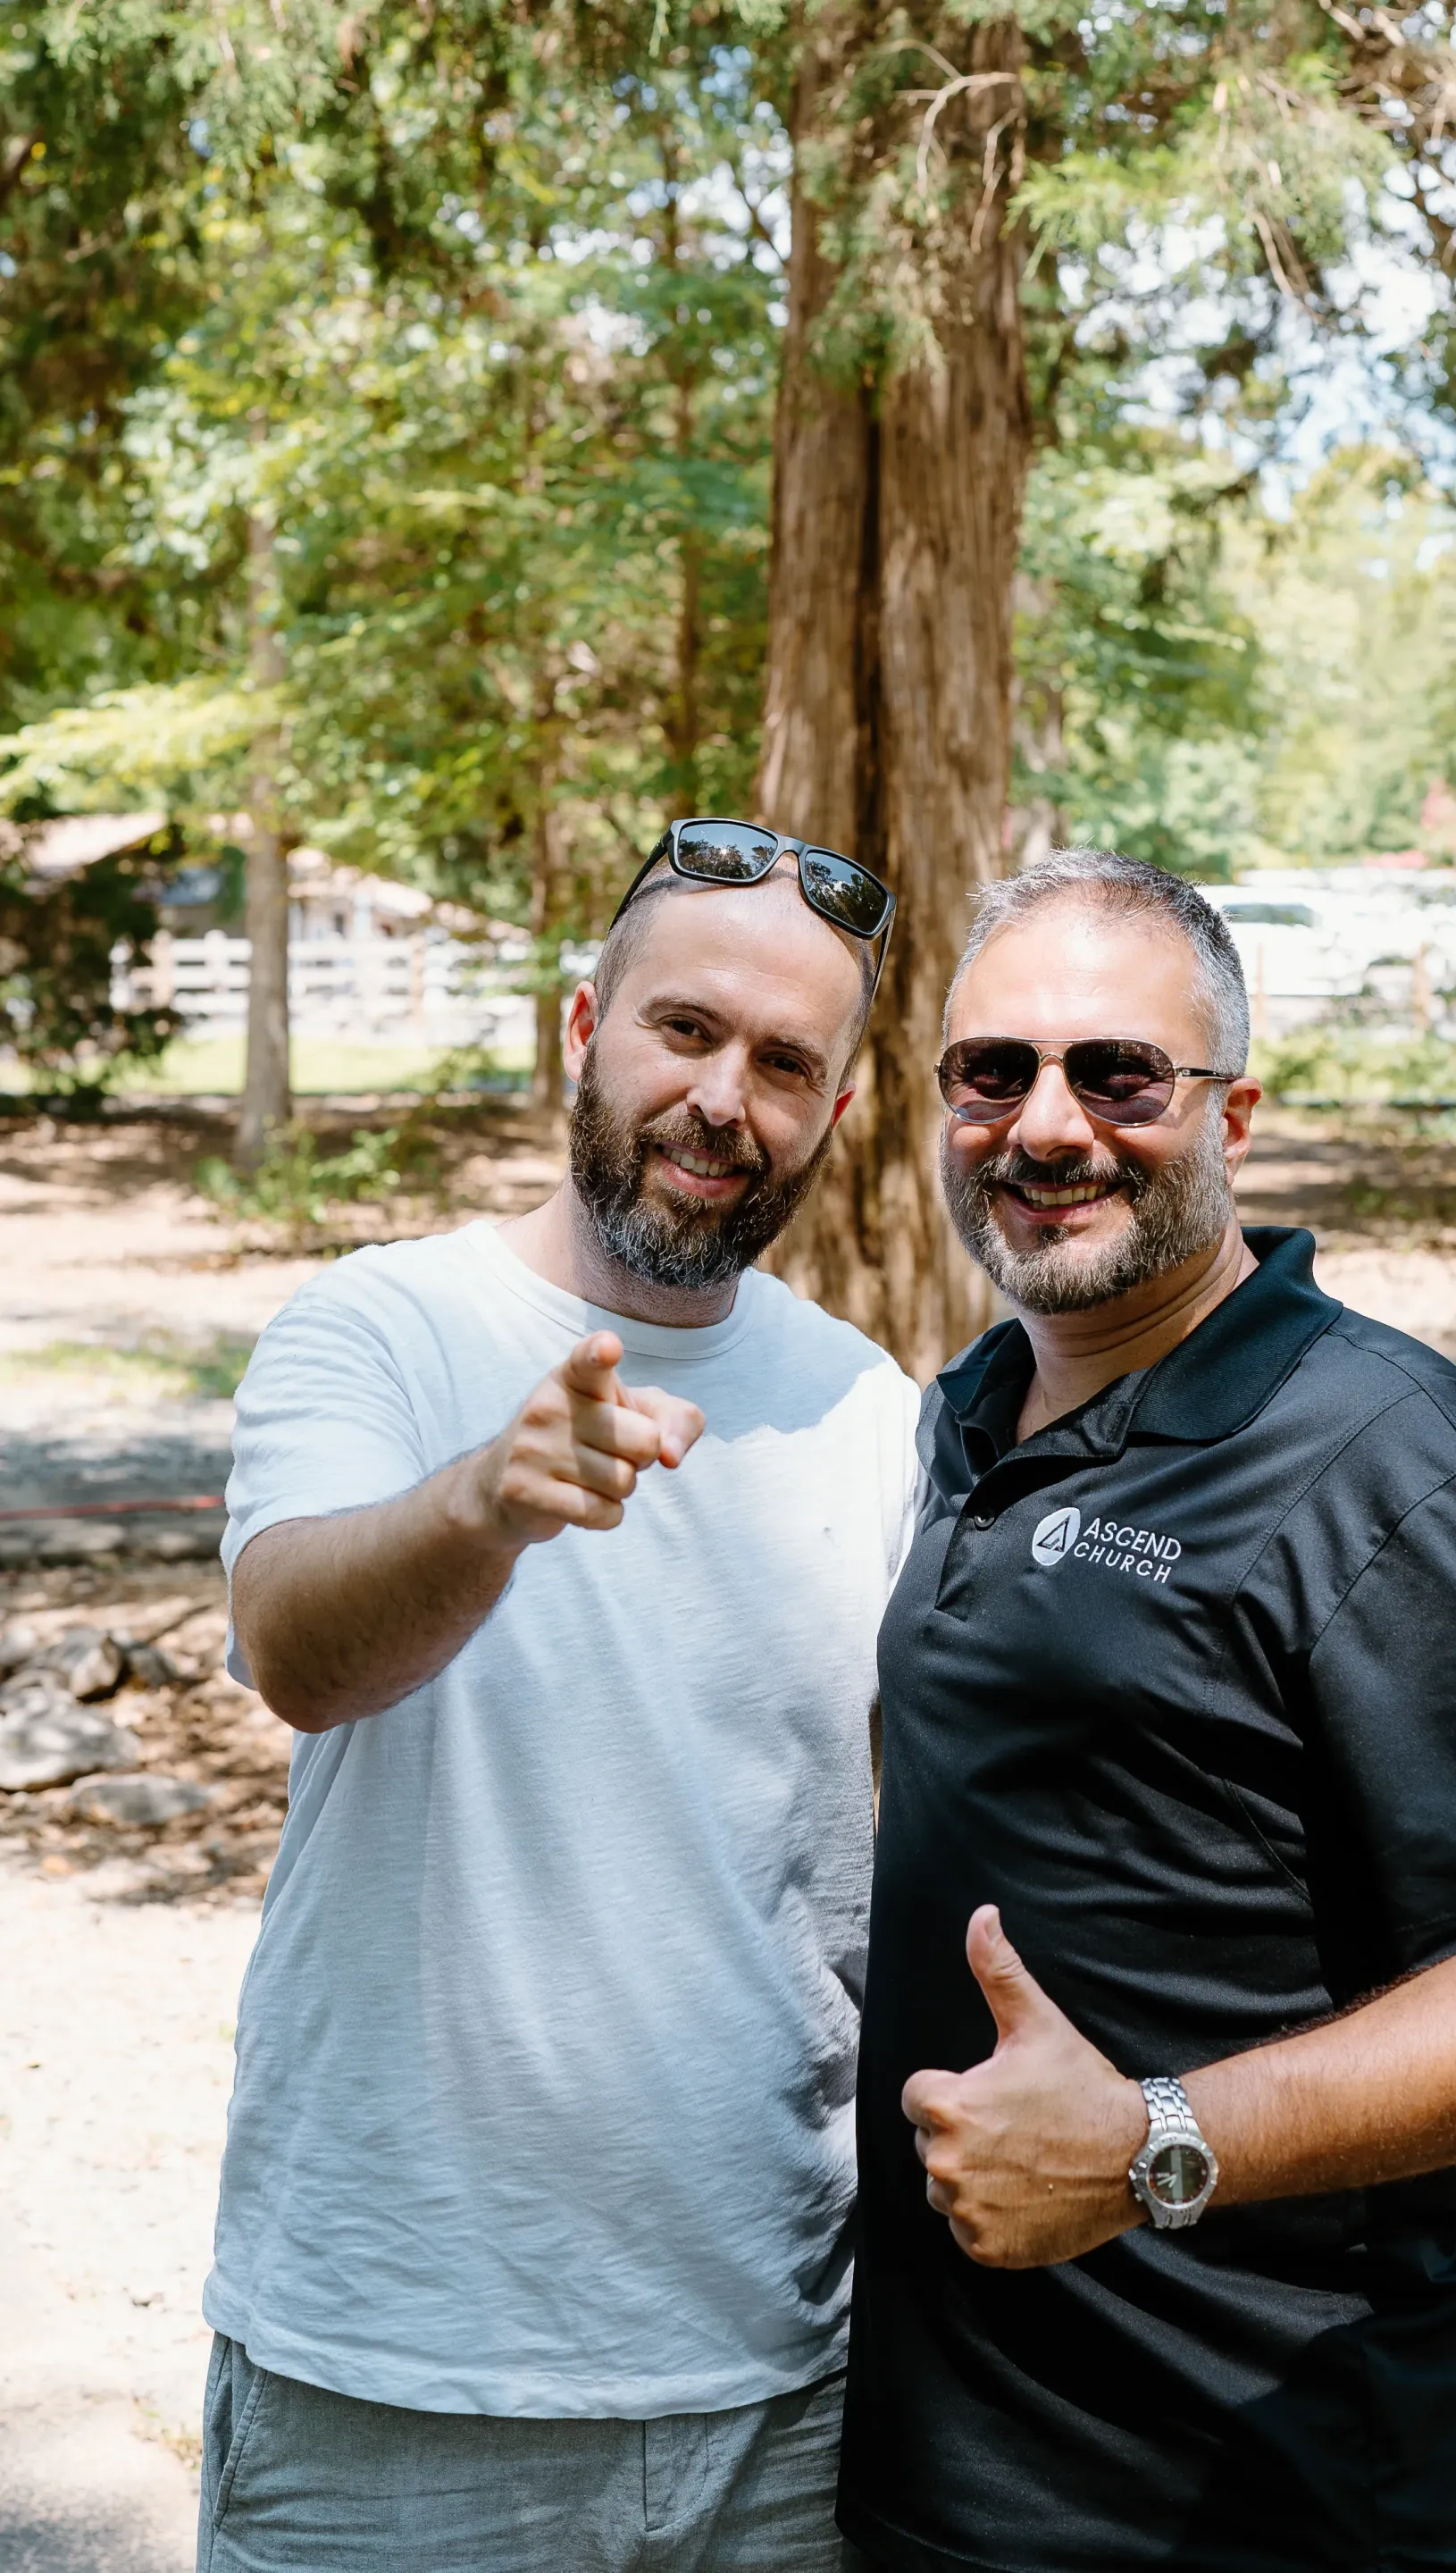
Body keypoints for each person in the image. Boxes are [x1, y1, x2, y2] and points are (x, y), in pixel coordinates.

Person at [840, 847, 1456, 2573]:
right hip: (947, 2472)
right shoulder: (963, 1417)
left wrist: (1152, 2144)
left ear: (1234, 1112)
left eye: (1119, 1074)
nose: (1048, 1126)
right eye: (994, 1071)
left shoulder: (1395, 1463)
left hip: (1256, 2496)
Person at [198, 820, 917, 2573]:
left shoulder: (875, 1411)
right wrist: (483, 1505)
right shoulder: (377, 1328)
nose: (722, 1100)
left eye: (784, 1064)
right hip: (393, 2381)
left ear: (833, 1111)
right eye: (686, 1030)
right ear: (583, 1030)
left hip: (780, 2391)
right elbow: (296, 1651)